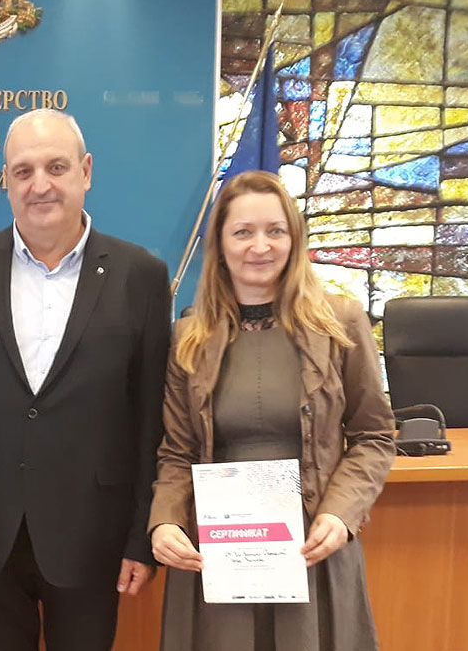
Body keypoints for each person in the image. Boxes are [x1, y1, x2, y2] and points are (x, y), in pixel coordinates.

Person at [0, 108, 171, 650]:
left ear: (86, 171)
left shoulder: (142, 276)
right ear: (5, 181)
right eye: (23, 171)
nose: (40, 185)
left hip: (95, 539)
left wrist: (141, 536)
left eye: (56, 167)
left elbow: (151, 417)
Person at [149, 170, 396, 651]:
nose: (260, 246)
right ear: (220, 245)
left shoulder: (341, 323)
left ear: (294, 238)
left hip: (312, 547)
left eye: (275, 231)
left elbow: (375, 435)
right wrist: (165, 521)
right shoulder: (189, 338)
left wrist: (341, 514)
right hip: (219, 553)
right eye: (243, 232)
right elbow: (177, 451)